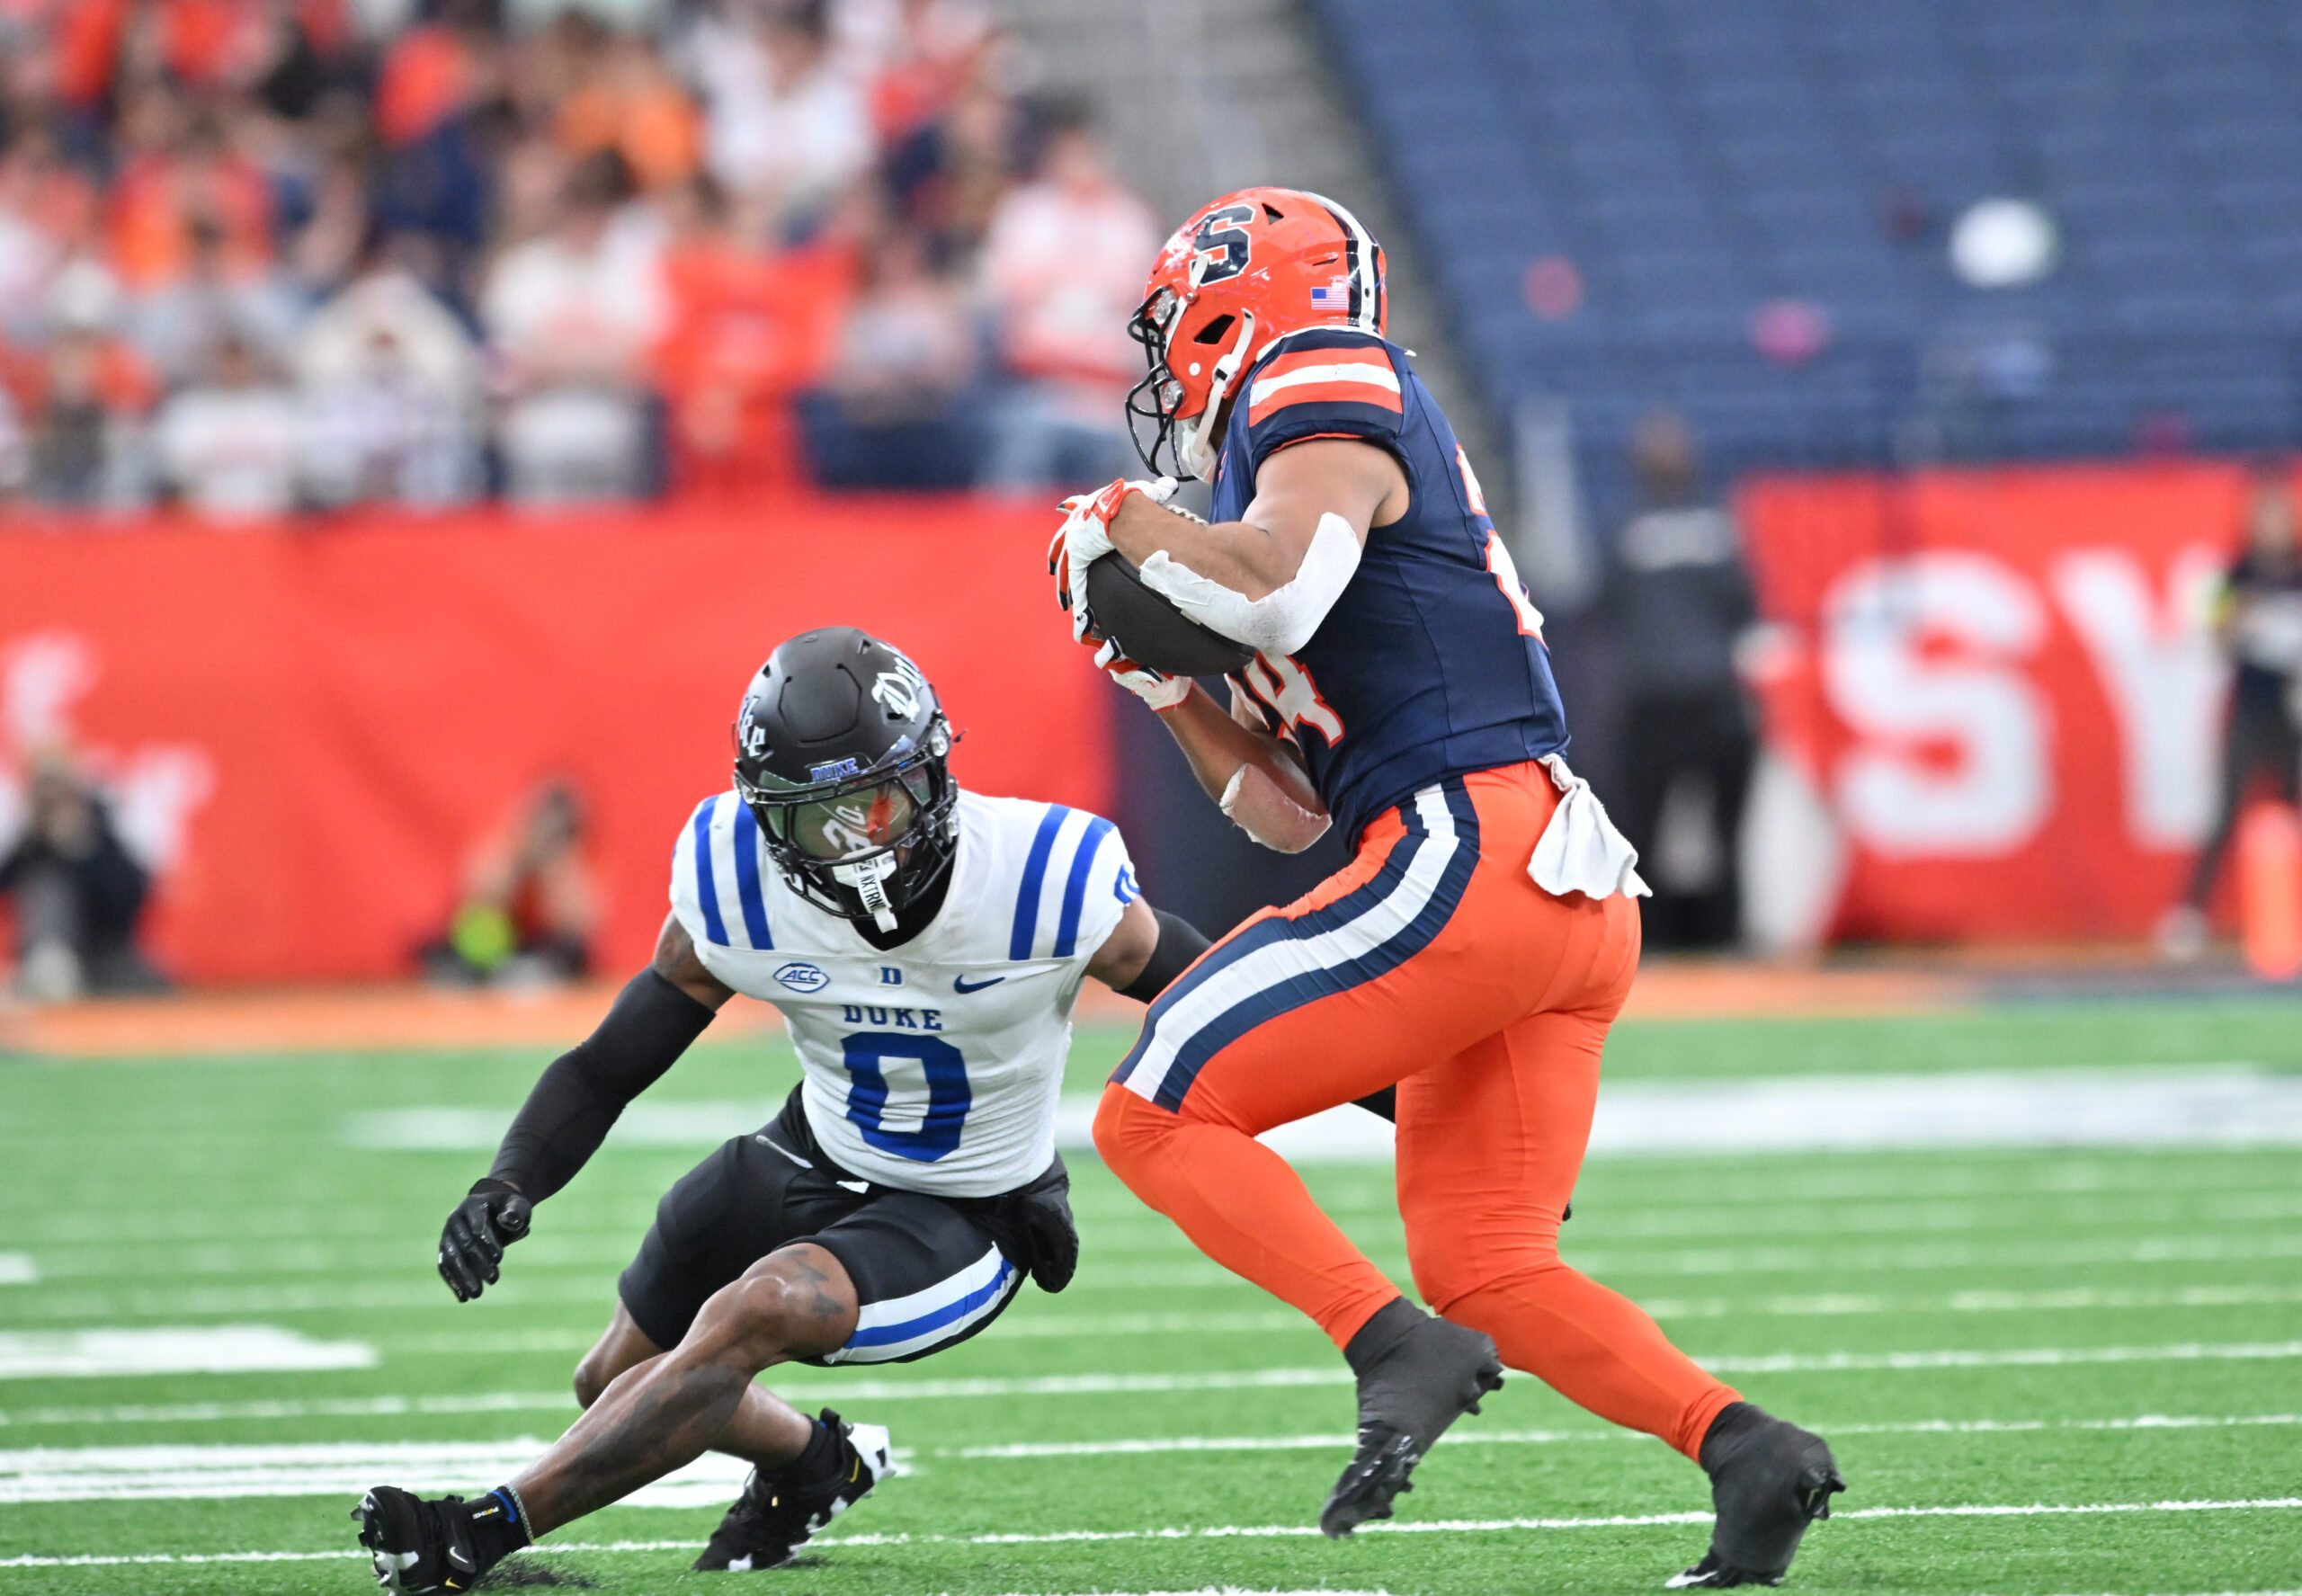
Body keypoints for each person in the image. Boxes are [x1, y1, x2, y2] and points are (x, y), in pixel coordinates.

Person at [1050, 189, 1842, 1586]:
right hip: (1545, 890)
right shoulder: (1258, 491)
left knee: (1155, 1102)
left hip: (1468, 846)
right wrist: (1165, 682)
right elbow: (1284, 813)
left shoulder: (1318, 370)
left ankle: (1384, 1339)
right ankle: (1747, 1449)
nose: (1165, 361)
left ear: (1243, 298)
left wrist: (1130, 519)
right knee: (1486, 1259)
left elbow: (1281, 591)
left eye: (1176, 324)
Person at [355, 628, 1218, 1592]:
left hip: (966, 1206)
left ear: (932, 774)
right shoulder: (738, 879)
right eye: (822, 818)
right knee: (614, 1382)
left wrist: (1390, 1087)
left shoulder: (1038, 873)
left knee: (760, 1304)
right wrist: (510, 1178)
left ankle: (480, 1528)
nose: (859, 842)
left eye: (876, 800)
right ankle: (815, 1462)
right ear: (768, 818)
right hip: (811, 1150)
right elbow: (609, 1063)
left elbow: (1226, 997)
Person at [1605, 411, 1762, 950]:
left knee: (1644, 827)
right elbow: (1745, 607)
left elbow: (1607, 608)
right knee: (1726, 830)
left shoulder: (1626, 530)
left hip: (1653, 696)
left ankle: (1647, 942)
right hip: (1714, 695)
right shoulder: (1718, 528)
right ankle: (1727, 937)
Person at [2164, 459, 2302, 955]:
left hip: (2297, 715)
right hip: (2251, 708)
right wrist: (2243, 622)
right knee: (2224, 814)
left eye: (2279, 515)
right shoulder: (2234, 575)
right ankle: (2191, 913)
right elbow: (2215, 641)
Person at [1, 749, 165, 1000]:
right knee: (46, 883)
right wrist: (32, 842)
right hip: (47, 955)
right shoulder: (30, 839)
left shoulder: (101, 824)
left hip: (105, 953)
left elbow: (129, 899)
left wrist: (83, 849)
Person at [420, 780, 601, 986]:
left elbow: (580, 921)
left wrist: (554, 868)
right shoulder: (503, 846)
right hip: (499, 943)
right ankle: (478, 974)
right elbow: (479, 894)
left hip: (539, 951)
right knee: (471, 930)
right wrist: (521, 858)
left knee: (575, 949)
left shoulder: (572, 863)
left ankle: (526, 974)